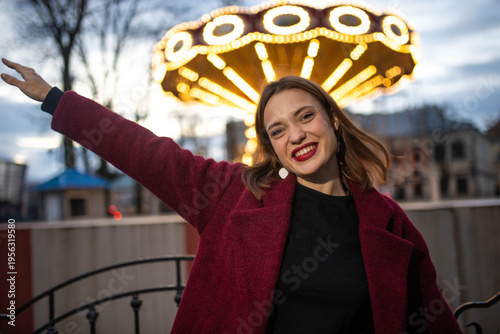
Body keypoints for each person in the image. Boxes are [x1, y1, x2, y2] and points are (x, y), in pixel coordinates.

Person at [1, 58, 463, 334]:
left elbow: (433, 320)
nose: (296, 135)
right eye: (278, 129)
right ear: (271, 144)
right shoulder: (234, 194)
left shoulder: (389, 224)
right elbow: (145, 153)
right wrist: (55, 100)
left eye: (306, 116)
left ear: (334, 122)